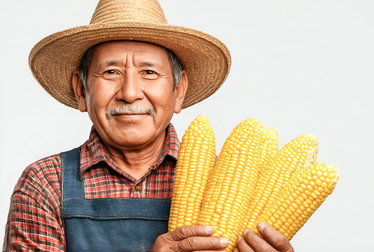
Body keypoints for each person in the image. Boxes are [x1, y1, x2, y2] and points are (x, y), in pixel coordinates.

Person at [3, 0, 295, 251]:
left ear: (179, 91)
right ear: (81, 91)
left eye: (149, 72)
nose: (130, 92)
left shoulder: (237, 186)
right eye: (111, 71)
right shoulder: (45, 184)